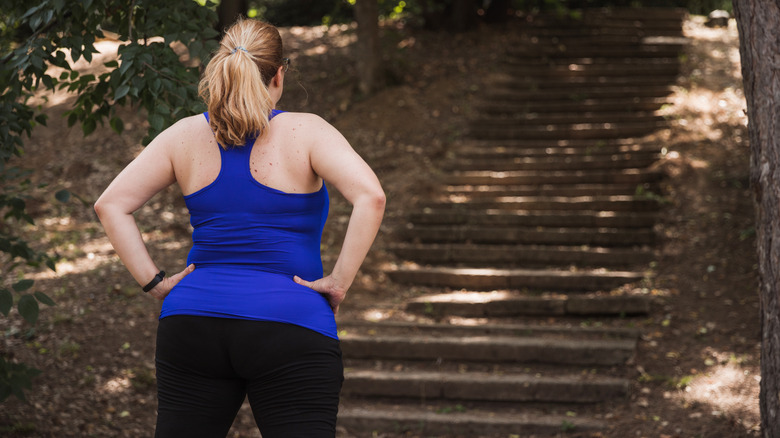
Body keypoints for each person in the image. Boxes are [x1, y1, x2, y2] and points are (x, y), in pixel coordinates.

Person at [93, 17, 385, 438]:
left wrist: (155, 283)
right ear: (279, 72)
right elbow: (371, 197)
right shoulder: (307, 130)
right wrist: (338, 282)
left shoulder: (183, 135)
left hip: (192, 322)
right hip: (291, 322)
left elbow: (111, 205)